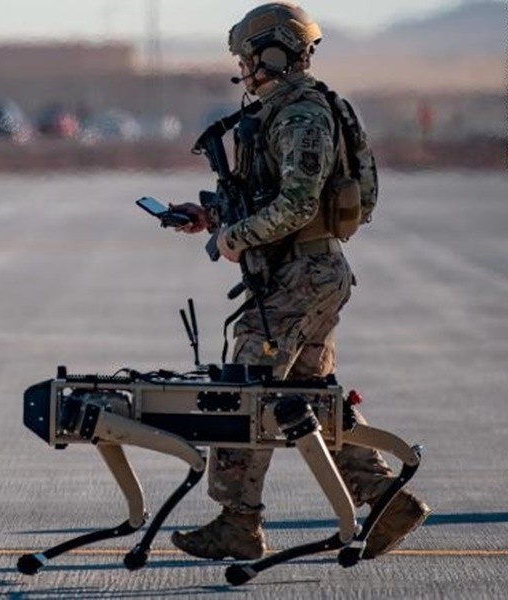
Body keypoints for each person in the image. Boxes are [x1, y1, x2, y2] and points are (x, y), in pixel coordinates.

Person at [168, 2, 430, 561]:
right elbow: (280, 204)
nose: (243, 70)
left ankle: (239, 522)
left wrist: (236, 238)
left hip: (302, 277)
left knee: (244, 393)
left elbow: (297, 204)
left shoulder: (301, 115)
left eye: (248, 58)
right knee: (307, 401)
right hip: (303, 273)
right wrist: (213, 218)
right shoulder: (286, 111)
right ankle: (387, 501)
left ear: (274, 54)